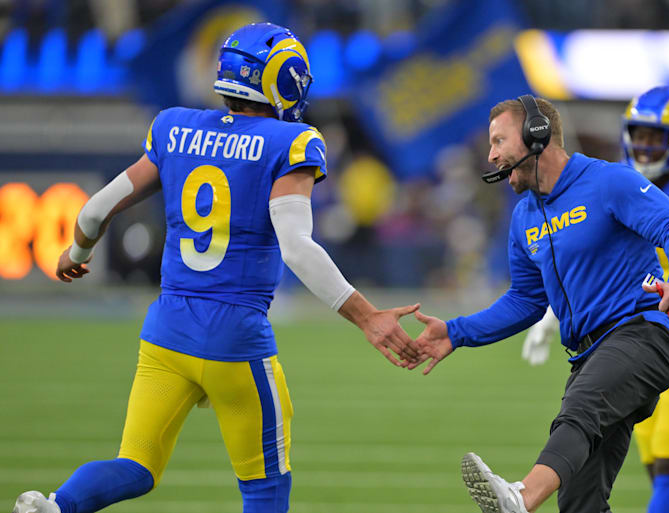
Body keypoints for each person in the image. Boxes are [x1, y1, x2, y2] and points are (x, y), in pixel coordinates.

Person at [13, 22, 419, 513]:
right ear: (281, 79)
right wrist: (367, 316)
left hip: (167, 331)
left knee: (136, 466)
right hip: (236, 337)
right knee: (265, 488)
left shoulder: (173, 126)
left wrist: (76, 254)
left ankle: (55, 506)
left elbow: (95, 210)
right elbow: (296, 248)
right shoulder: (290, 141)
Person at [412, 94, 669, 513]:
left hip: (643, 335)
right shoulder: (523, 216)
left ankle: (522, 497)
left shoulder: (609, 181)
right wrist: (455, 333)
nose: (490, 155)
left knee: (579, 411)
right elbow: (526, 300)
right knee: (580, 502)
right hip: (590, 353)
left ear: (537, 134)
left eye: (498, 141)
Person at [522, 85, 669, 513]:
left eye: (657, 135)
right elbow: (585, 261)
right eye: (641, 133)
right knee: (656, 463)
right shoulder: (615, 179)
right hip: (627, 337)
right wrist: (549, 316)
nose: (646, 144)